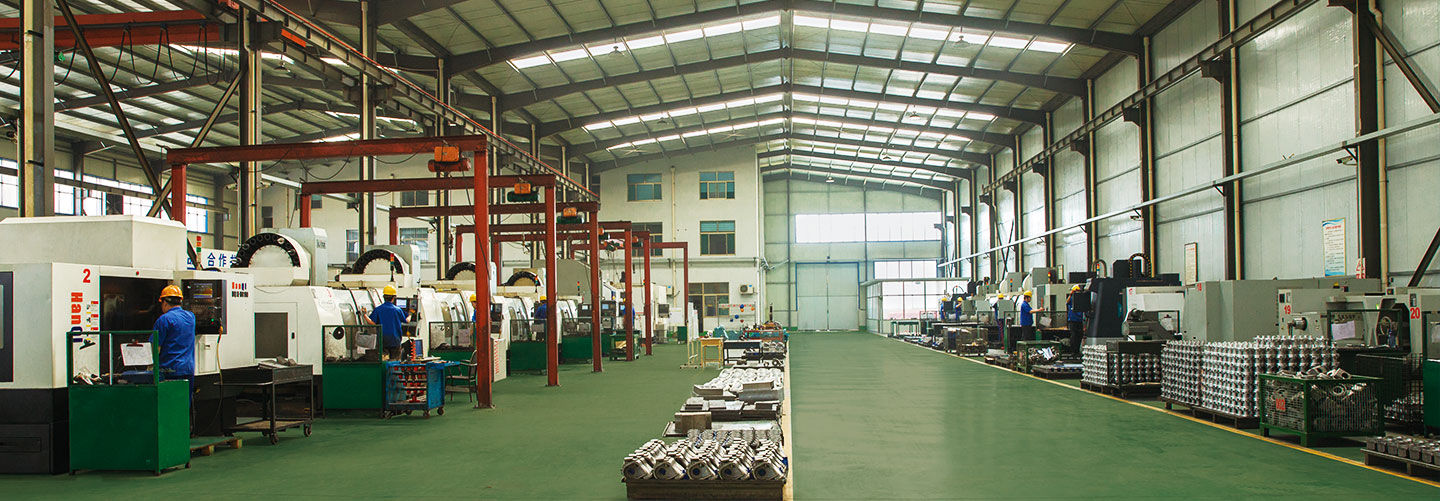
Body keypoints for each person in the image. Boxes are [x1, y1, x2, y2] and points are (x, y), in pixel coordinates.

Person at [153, 285, 196, 392]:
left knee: (168, 401)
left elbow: (156, 348)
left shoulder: (164, 319)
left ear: (164, 302)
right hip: (188, 369)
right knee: (184, 401)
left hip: (169, 371)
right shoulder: (191, 317)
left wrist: (150, 366)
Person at [365, 285, 409, 361]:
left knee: (383, 361)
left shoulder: (378, 309)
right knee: (395, 361)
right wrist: (411, 314)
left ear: (384, 297)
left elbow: (372, 322)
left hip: (382, 340)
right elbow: (406, 321)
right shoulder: (397, 310)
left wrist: (364, 315)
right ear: (393, 298)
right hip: (395, 340)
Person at [1066, 285, 1086, 355]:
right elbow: (1067, 302)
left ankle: (1077, 350)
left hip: (1079, 320)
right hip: (1072, 319)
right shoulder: (1072, 299)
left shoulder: (1081, 300)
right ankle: (1073, 350)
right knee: (1074, 335)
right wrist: (1070, 295)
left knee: (1079, 335)